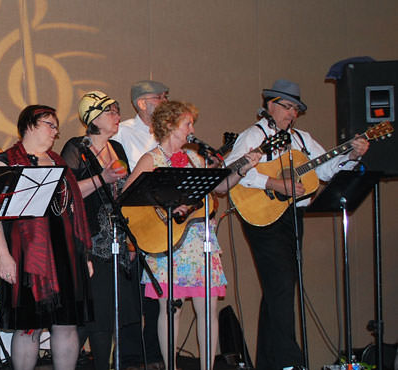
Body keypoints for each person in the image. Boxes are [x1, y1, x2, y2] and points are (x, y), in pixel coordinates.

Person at [223, 79, 369, 370]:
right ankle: (291, 362)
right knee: (281, 287)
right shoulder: (254, 136)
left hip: (292, 217)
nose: (291, 114)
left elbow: (326, 169)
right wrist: (275, 182)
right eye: (287, 107)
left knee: (279, 289)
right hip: (262, 217)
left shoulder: (303, 139)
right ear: (270, 106)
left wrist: (351, 155)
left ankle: (269, 362)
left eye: (296, 109)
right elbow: (231, 172)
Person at [124, 100, 259, 370]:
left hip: (199, 239)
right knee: (170, 309)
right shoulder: (152, 159)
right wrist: (166, 203)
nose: (192, 128)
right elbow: (128, 196)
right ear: (171, 125)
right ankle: (171, 366)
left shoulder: (195, 158)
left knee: (207, 308)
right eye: (187, 123)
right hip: (166, 240)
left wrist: (243, 166)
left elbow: (220, 187)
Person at [0, 105, 94, 370]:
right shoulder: (5, 161)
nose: (56, 133)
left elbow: (73, 210)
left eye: (56, 127)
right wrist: (4, 256)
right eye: (50, 125)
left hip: (65, 253)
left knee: (66, 325)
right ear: (30, 125)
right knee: (28, 328)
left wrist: (84, 256)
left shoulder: (59, 162)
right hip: (27, 255)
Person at [59, 91, 133, 370]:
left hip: (117, 239)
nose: (117, 117)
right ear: (94, 117)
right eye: (111, 112)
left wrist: (131, 244)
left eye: (116, 111)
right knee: (93, 314)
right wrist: (102, 178)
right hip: (88, 238)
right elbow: (65, 192)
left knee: (110, 313)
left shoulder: (119, 148)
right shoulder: (77, 147)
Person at [111, 80, 170, 369]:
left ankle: (155, 354)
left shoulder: (167, 132)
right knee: (131, 290)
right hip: (134, 220)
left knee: (156, 292)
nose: (165, 102)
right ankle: (132, 357)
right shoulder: (122, 130)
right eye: (160, 98)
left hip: (165, 221)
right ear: (143, 103)